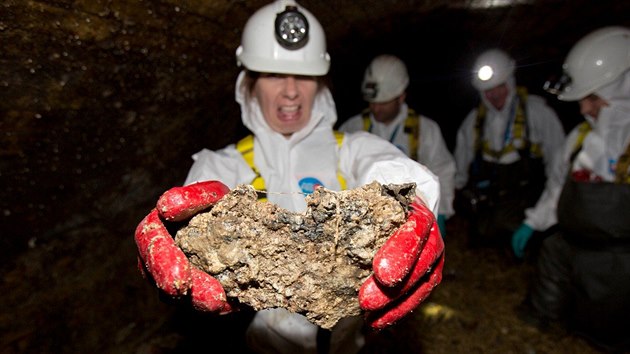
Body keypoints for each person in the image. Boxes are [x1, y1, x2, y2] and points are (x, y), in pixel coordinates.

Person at [134, 1, 445, 354]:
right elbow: (197, 198)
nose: (291, 91)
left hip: (349, 342)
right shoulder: (227, 164)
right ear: (248, 83)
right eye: (272, 75)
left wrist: (411, 202)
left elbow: (386, 165)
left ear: (320, 83)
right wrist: (174, 230)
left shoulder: (350, 148)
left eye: (305, 76)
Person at [515, 26, 630, 351]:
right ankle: (544, 324)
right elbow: (556, 189)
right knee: (552, 250)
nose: (583, 109)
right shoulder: (580, 137)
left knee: (608, 325)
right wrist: (532, 222)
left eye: (592, 98)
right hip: (574, 243)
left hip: (619, 259)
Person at [454, 48, 565, 249]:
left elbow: (558, 160)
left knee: (521, 238)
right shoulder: (474, 121)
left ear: (511, 82)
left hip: (526, 195)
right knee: (481, 237)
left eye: (500, 86)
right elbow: (460, 163)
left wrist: (551, 199)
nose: (494, 94)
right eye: (488, 90)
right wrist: (455, 194)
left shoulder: (537, 112)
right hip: (490, 196)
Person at [339, 54, 456, 237]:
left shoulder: (425, 130)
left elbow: (443, 169)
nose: (376, 108)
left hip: (411, 223)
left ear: (401, 97)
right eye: (372, 102)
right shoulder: (352, 128)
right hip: (360, 224)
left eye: (383, 103)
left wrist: (441, 211)